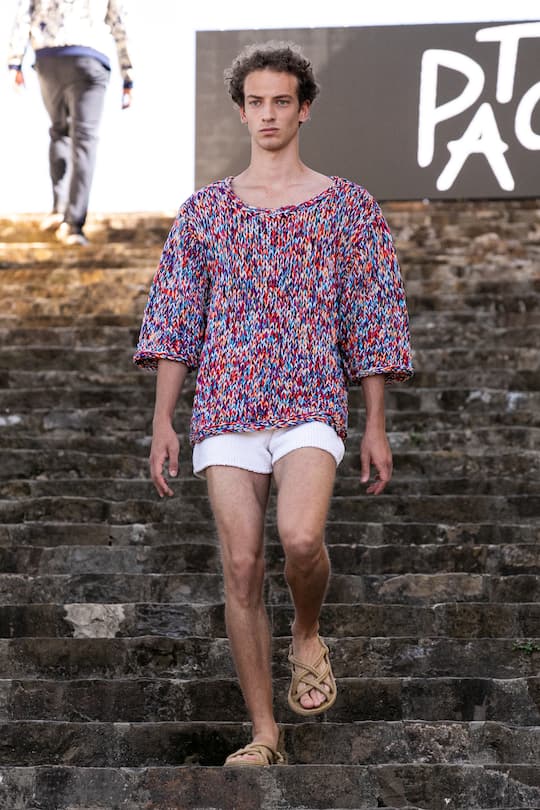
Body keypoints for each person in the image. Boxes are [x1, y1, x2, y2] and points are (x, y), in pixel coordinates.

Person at [134, 41, 413, 767]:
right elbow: (174, 320)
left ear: (304, 108)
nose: (267, 114)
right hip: (224, 404)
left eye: (281, 101)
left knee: (297, 539)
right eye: (255, 102)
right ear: (240, 111)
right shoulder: (203, 214)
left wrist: (376, 422)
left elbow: (373, 315)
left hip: (310, 398)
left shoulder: (348, 206)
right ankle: (265, 734)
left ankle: (309, 631)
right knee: (241, 564)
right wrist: (164, 417)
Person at [7, 0, 134, 246]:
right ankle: (73, 225)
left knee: (59, 131)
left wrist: (15, 61)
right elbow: (120, 22)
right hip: (89, 59)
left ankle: (59, 207)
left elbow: (24, 11)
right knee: (84, 141)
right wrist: (129, 76)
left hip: (49, 57)